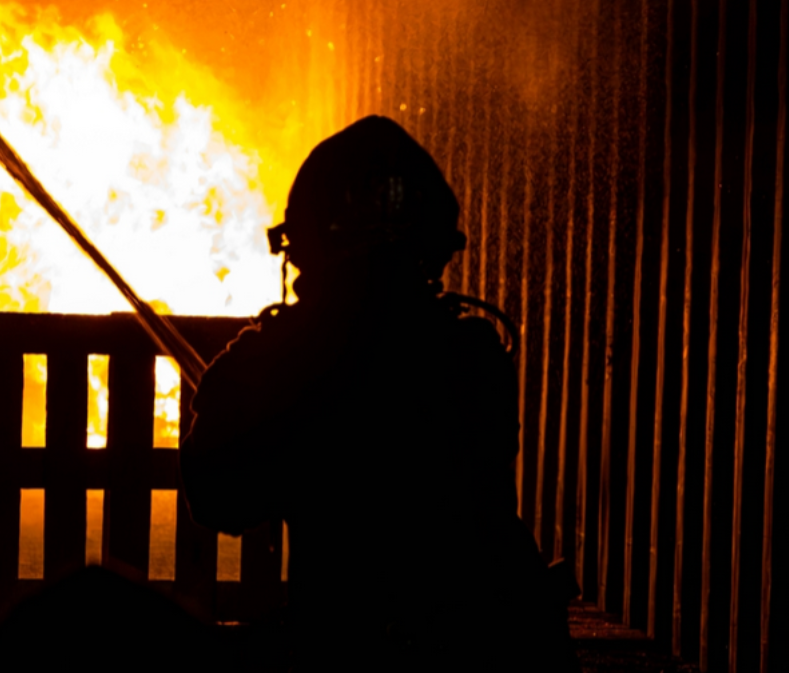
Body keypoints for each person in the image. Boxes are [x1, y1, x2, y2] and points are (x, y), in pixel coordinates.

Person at [179, 116, 577, 671]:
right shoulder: (472, 353)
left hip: (353, 647)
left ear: (306, 248)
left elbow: (219, 497)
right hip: (493, 647)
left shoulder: (284, 365)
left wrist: (248, 380)